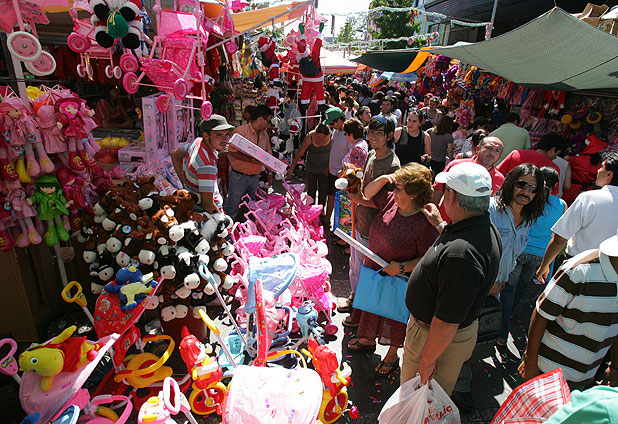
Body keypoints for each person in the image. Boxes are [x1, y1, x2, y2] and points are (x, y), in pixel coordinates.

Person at [402, 162, 502, 395]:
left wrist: (427, 362)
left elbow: (447, 322)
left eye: (445, 189)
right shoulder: (479, 227)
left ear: (453, 196)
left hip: (434, 339)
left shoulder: (462, 254)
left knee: (419, 402)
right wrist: (440, 225)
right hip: (442, 337)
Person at [346, 163, 438, 376]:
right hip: (375, 269)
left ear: (414, 195)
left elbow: (429, 257)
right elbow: (365, 195)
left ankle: (392, 355)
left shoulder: (424, 222)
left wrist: (402, 267)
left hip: (399, 277)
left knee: (394, 314)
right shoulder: (391, 201)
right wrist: (385, 178)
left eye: (399, 188)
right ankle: (367, 339)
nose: (394, 191)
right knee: (371, 305)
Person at [519, 229, 618, 389]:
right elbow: (542, 313)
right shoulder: (580, 270)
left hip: (585, 378)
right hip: (546, 373)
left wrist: (615, 367)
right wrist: (530, 363)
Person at [338, 117, 401, 317]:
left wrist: (360, 200)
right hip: (361, 220)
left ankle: (362, 311)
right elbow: (364, 183)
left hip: (374, 227)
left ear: (389, 136)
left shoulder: (393, 165)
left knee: (367, 269)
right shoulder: (372, 154)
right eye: (371, 132)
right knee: (355, 264)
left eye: (379, 133)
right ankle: (355, 298)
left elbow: (390, 202)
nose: (373, 137)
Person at [497, 167, 566, 346]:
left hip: (522, 252)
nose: (528, 190)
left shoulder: (530, 206)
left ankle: (502, 329)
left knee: (509, 289)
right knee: (520, 287)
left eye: (533, 187)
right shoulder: (561, 205)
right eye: (523, 185)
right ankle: (508, 315)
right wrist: (548, 264)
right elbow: (559, 236)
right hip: (539, 255)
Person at [537, 152, 618, 283]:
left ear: (609, 174)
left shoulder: (588, 198)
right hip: (612, 275)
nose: (597, 171)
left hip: (578, 268)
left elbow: (560, 239)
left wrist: (544, 265)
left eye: (601, 167)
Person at [489, 164, 546, 298]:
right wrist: (489, 281)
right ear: (511, 183)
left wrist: (502, 278)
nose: (526, 192)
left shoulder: (527, 219)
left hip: (499, 288)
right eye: (521, 185)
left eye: (533, 188)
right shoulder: (490, 209)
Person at [432, 136, 504, 223]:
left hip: (471, 226)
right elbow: (438, 189)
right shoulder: (456, 166)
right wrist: (432, 213)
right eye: (489, 148)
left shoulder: (500, 179)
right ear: (478, 148)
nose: (492, 153)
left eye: (497, 151)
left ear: (500, 155)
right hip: (442, 221)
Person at [171, 114, 234, 213]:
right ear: (206, 135)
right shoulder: (207, 166)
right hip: (206, 213)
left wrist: (184, 183)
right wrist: (221, 219)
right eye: (219, 135)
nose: (225, 140)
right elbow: (208, 205)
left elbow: (175, 155)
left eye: (227, 134)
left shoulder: (197, 142)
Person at [224, 104, 274, 220]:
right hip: (239, 176)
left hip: (255, 177)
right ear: (260, 119)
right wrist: (249, 159)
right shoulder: (240, 131)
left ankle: (245, 228)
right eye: (268, 121)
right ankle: (228, 228)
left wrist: (269, 173)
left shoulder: (265, 135)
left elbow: (268, 156)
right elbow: (232, 152)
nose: (269, 124)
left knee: (249, 207)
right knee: (233, 206)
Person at [285, 123, 331, 218]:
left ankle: (321, 210)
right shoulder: (309, 137)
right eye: (318, 136)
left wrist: (330, 167)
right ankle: (310, 210)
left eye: (323, 137)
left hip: (325, 168)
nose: (320, 139)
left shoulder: (331, 136)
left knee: (323, 190)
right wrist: (291, 168)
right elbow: (299, 154)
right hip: (311, 167)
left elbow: (334, 153)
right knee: (311, 189)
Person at [496, 133, 563, 190]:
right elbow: (552, 193)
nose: (555, 157)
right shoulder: (553, 169)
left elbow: (497, 174)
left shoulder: (516, 154)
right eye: (557, 154)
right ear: (553, 149)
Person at [323, 107, 349, 227]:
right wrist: (328, 165)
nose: (331, 126)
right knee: (330, 196)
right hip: (332, 171)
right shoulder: (335, 132)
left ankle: (339, 227)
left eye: (332, 123)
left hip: (341, 174)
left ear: (339, 120)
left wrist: (344, 170)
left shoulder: (348, 134)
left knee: (341, 202)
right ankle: (327, 220)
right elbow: (333, 150)